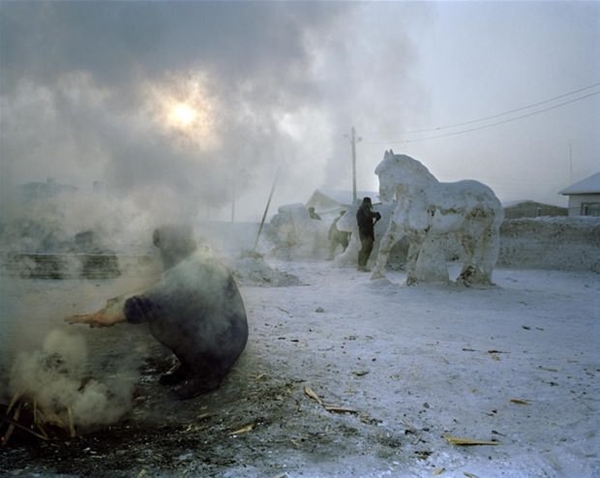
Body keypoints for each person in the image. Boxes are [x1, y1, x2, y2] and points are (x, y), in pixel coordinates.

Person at [355, 197, 381, 271]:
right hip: (365, 231)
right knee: (366, 248)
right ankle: (361, 266)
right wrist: (376, 215)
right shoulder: (364, 208)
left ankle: (362, 265)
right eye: (368, 202)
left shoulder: (362, 209)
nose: (369, 204)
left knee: (367, 248)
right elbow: (368, 214)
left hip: (365, 231)